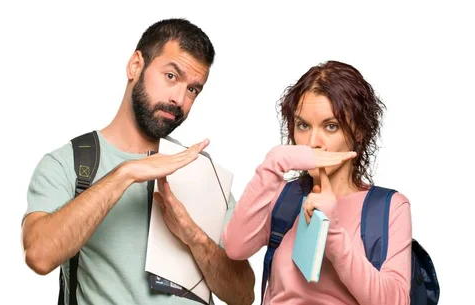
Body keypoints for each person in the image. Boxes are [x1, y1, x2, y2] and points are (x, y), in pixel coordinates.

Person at [21, 18, 256, 305]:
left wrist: (194, 237)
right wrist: (125, 173)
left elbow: (243, 296)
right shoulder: (69, 163)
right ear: (135, 66)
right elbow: (39, 255)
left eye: (193, 89)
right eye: (171, 76)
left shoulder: (201, 169)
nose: (179, 99)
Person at [222, 60, 412, 304]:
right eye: (303, 125)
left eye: (330, 126)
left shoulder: (388, 207)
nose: (313, 141)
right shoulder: (283, 197)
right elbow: (236, 248)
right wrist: (274, 163)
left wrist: (332, 232)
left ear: (359, 132)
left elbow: (395, 301)